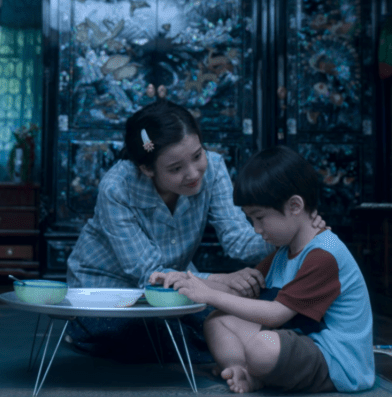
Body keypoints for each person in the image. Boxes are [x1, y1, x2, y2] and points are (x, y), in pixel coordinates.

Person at [64, 100, 325, 362]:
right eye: (176, 169)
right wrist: (220, 283)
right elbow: (148, 273)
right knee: (157, 334)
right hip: (111, 291)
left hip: (177, 288)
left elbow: (238, 239)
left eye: (198, 155)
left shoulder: (213, 168)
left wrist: (292, 231)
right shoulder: (117, 188)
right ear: (147, 169)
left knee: (229, 319)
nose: (193, 174)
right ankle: (83, 330)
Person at [168, 146, 374, 394]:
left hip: (335, 359)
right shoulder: (283, 252)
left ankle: (258, 372)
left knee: (262, 347)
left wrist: (208, 295)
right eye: (251, 220)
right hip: (299, 341)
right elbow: (242, 290)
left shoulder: (324, 253)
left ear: (295, 206)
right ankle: (241, 371)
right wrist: (182, 280)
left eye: (260, 218)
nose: (256, 229)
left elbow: (275, 315)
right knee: (217, 321)